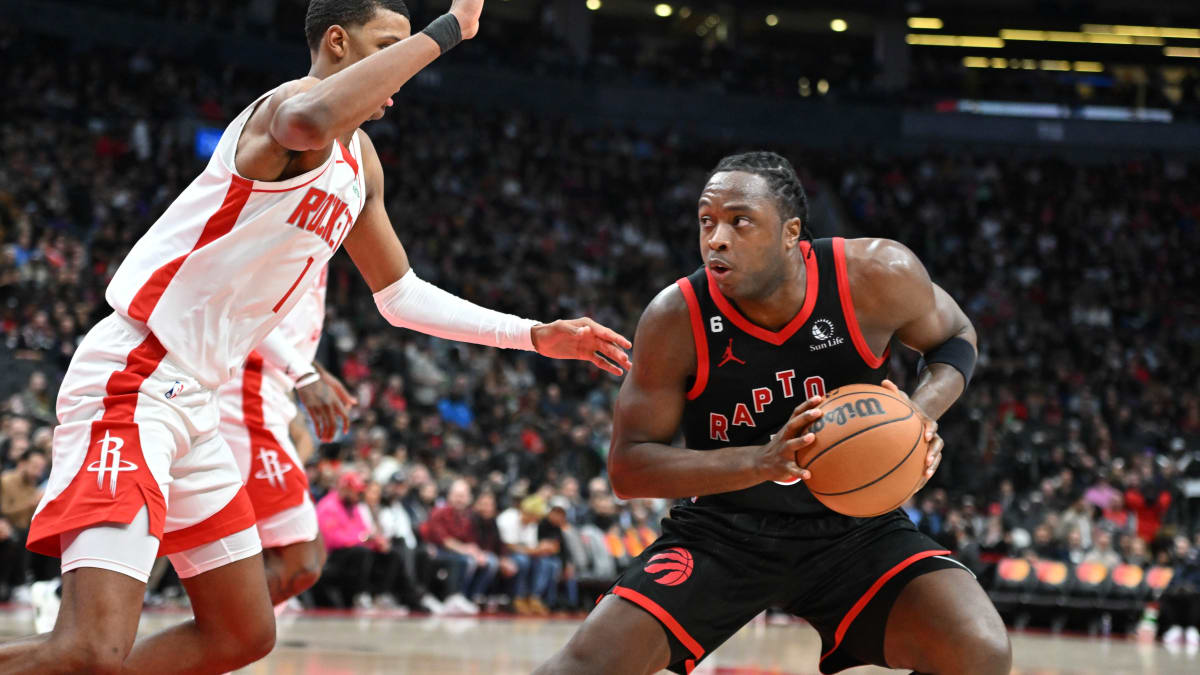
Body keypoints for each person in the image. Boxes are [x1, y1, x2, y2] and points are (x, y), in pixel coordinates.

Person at [0, 0, 631, 671]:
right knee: (89, 650)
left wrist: (532, 334)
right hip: (134, 378)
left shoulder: (362, 163)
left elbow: (400, 296)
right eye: (388, 46)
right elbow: (309, 121)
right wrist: (447, 32)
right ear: (336, 42)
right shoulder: (284, 109)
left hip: (196, 401)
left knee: (242, 633)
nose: (404, 67)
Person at [536, 152, 1009, 675]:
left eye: (740, 221)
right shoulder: (676, 317)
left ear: (791, 233)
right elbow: (629, 468)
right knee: (579, 669)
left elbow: (954, 336)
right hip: (723, 532)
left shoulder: (874, 273)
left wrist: (917, 416)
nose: (716, 239)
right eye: (707, 221)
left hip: (857, 530)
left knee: (978, 651)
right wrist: (761, 461)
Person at [419, 478, 497, 613]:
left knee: (490, 560)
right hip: (438, 550)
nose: (459, 500)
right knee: (468, 560)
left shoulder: (467, 516)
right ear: (449, 496)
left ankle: (471, 597)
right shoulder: (439, 512)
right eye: (457, 496)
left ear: (469, 498)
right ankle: (456, 596)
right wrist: (466, 550)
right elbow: (445, 541)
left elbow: (471, 541)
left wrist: (478, 553)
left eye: (463, 496)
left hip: (458, 551)